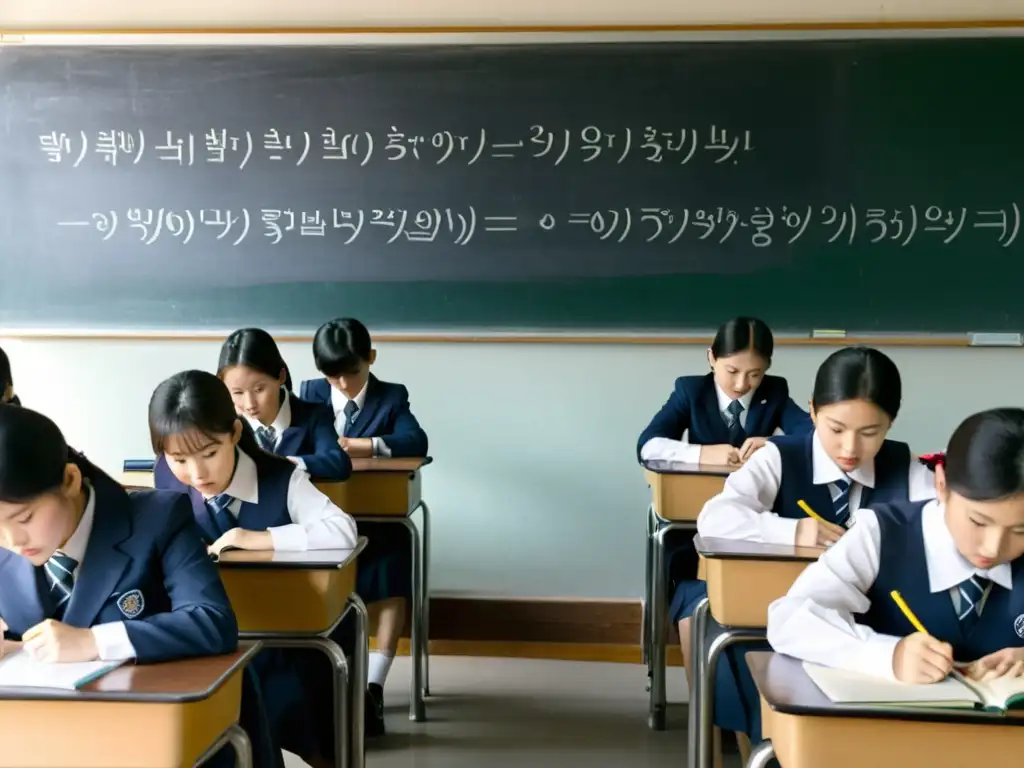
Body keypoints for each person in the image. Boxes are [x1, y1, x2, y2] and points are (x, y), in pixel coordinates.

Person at [0, 404, 281, 768]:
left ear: (70, 481)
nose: (12, 540)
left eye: (25, 518)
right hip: (46, 739)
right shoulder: (6, 544)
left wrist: (92, 642)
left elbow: (213, 621)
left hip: (162, 737)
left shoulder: (158, 518)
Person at [687, 346, 938, 750]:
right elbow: (715, 518)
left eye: (870, 432)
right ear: (812, 411)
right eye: (835, 428)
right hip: (779, 630)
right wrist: (792, 532)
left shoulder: (908, 470)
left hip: (878, 634)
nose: (850, 448)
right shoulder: (779, 458)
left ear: (891, 422)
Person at [149, 370, 359, 765]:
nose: (196, 474)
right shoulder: (165, 478)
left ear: (233, 432)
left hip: (286, 644)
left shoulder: (281, 478)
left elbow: (343, 531)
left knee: (302, 718)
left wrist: (260, 538)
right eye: (178, 459)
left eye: (209, 454)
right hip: (212, 643)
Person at [769, 407, 1024, 684]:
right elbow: (790, 620)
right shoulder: (882, 533)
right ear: (941, 483)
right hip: (884, 725)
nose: (992, 548)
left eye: (1020, 531)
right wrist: (887, 655)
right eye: (978, 522)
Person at [300, 317, 428, 735]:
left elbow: (416, 441)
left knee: (394, 552)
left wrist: (366, 445)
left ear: (370, 359)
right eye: (330, 374)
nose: (341, 383)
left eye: (351, 372)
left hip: (375, 517)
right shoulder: (308, 395)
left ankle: (374, 685)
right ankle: (329, 681)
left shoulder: (391, 397)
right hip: (321, 516)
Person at [217, 327, 350, 480]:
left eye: (259, 389)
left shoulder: (315, 415)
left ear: (281, 376)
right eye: (238, 393)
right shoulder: (224, 423)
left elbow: (338, 463)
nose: (249, 404)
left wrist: (283, 464)